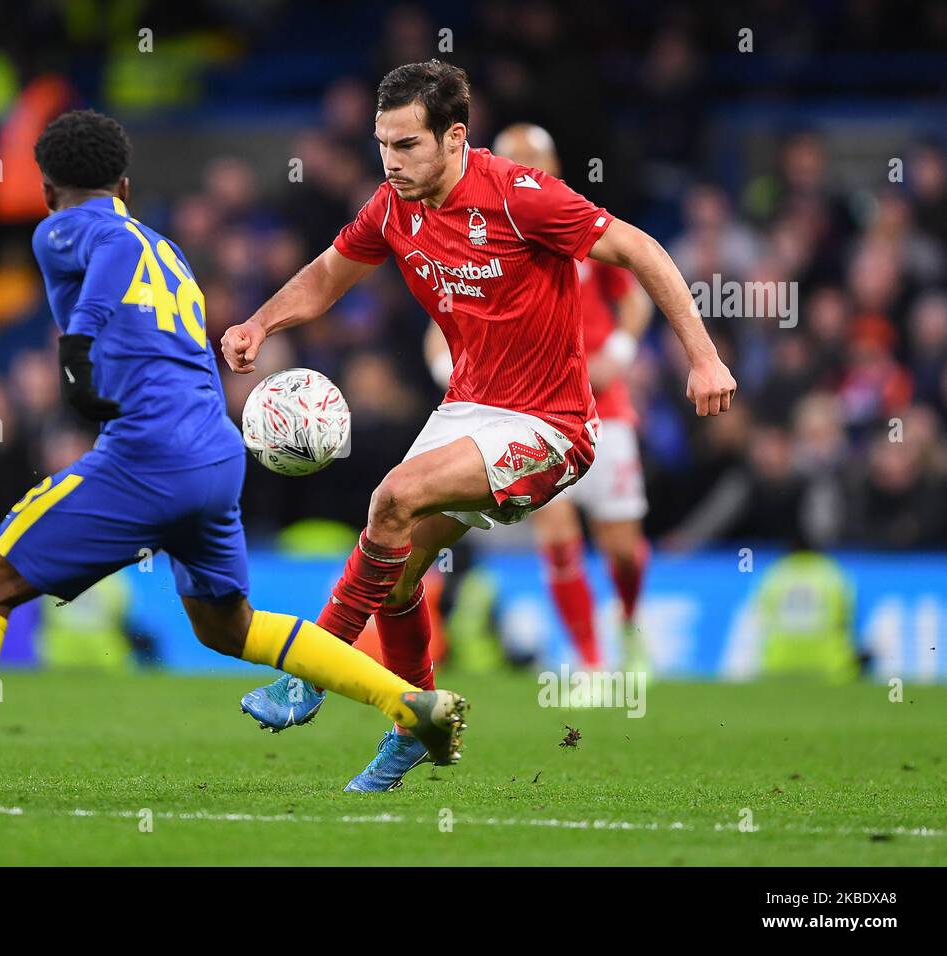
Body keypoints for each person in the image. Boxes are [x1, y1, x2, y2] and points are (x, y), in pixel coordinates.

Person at [0, 109, 467, 805]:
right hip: (213, 452)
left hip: (150, 453)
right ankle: (407, 703)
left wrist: (77, 347)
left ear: (49, 187)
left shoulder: (69, 225)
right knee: (226, 626)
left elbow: (106, 252)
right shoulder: (166, 247)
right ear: (123, 180)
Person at [224, 61, 735, 792]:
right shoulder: (394, 206)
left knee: (392, 498)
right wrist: (261, 321)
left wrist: (703, 356)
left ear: (454, 138)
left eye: (407, 146)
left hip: (551, 423)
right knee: (396, 578)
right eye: (382, 145)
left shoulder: (522, 197)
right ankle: (414, 722)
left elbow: (641, 249)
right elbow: (331, 274)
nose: (390, 163)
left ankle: (309, 674)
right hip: (467, 411)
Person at [426, 123, 655, 673]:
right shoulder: (476, 243)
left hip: (605, 405)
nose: (525, 170)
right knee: (555, 535)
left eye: (535, 160)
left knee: (621, 546)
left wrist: (620, 353)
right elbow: (442, 321)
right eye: (513, 160)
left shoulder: (580, 228)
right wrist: (448, 371)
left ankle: (627, 622)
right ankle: (592, 663)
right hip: (530, 413)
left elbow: (634, 297)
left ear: (553, 169)